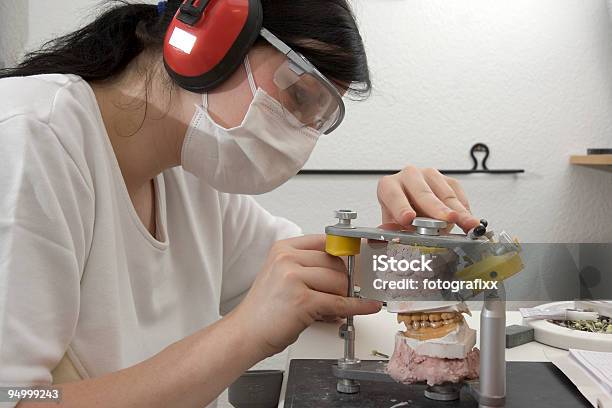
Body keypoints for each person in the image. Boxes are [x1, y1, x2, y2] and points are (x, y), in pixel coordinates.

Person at [0, 1, 479, 407]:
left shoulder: (191, 174)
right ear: (213, 35)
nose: (302, 136)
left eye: (320, 117)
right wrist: (246, 333)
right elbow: (19, 399)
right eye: (299, 95)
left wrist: (402, 238)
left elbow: (323, 282)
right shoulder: (28, 140)